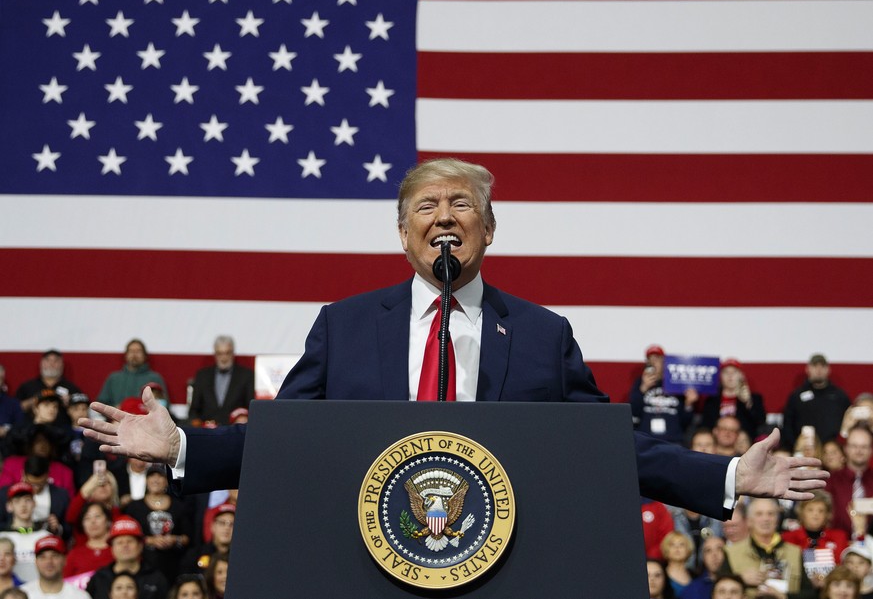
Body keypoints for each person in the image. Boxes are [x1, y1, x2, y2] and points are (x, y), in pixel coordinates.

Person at [80, 159, 827, 526]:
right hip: (367, 554)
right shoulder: (343, 325)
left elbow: (609, 445)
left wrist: (726, 477)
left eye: (461, 203)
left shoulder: (540, 332)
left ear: (488, 228)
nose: (444, 215)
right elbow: (284, 438)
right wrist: (181, 447)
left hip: (502, 556)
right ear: (403, 234)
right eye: (425, 206)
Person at [722, 497, 815, 598]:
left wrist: (784, 596)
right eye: (759, 514)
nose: (765, 519)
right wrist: (740, 579)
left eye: (770, 514)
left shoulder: (795, 552)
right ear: (749, 521)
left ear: (777, 519)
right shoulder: (731, 552)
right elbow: (718, 589)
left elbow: (810, 594)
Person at [122, 465, 190, 583]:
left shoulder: (179, 506)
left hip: (174, 563)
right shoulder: (134, 507)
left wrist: (175, 539)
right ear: (146, 481)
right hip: (144, 564)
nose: (156, 479)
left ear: (167, 481)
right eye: (152, 476)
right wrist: (150, 540)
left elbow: (188, 537)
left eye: (160, 476)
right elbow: (128, 536)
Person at [85, 516, 168, 599]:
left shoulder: (155, 578)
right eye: (120, 542)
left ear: (140, 545)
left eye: (130, 541)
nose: (125, 546)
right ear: (112, 548)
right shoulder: (100, 578)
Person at [630, 344, 697, 444]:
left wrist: (688, 404)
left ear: (664, 362)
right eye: (650, 359)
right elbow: (633, 412)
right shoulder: (640, 382)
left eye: (657, 359)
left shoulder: (676, 382)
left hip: (673, 440)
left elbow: (685, 421)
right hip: (646, 439)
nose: (653, 362)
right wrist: (643, 388)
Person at [782, 354, 851, 450]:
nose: (819, 370)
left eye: (822, 366)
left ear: (828, 369)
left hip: (833, 451)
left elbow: (849, 422)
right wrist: (795, 446)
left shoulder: (840, 396)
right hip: (805, 450)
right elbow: (788, 425)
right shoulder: (796, 396)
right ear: (808, 369)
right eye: (815, 366)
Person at [188, 336, 254, 428]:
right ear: (214, 353)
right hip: (207, 432)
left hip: (234, 432)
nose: (224, 358)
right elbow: (194, 410)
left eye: (227, 353)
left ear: (233, 353)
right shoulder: (202, 375)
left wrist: (243, 419)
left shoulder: (246, 375)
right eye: (220, 353)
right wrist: (197, 424)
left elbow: (251, 408)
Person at [702, 359, 767, 442]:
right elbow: (706, 425)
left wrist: (748, 403)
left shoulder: (753, 399)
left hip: (744, 442)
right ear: (720, 376)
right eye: (726, 372)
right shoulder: (712, 400)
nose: (730, 376)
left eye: (734, 372)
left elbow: (760, 421)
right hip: (717, 442)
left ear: (741, 375)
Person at [781, 491, 849, 568]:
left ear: (827, 515)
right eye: (810, 510)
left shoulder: (839, 537)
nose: (815, 514)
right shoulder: (788, 538)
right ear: (801, 513)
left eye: (821, 511)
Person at [827, 426, 873, 538]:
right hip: (838, 544)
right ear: (846, 448)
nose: (859, 451)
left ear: (871, 449)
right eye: (854, 446)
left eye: (864, 446)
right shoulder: (831, 480)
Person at [97, 341, 167, 408]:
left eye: (138, 351)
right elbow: (101, 404)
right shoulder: (113, 378)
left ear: (145, 355)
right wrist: (115, 409)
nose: (134, 354)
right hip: (117, 419)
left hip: (146, 419)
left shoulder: (155, 378)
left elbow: (164, 406)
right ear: (126, 355)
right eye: (131, 351)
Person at [14, 350, 83, 416]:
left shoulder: (71, 388)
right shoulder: (28, 386)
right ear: (41, 363)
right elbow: (15, 409)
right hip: (32, 426)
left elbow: (82, 412)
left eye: (56, 361)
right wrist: (36, 400)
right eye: (48, 360)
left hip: (63, 426)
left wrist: (71, 403)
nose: (51, 364)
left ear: (62, 364)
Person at [20, 535, 90, 599]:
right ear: (36, 562)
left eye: (54, 556)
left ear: (64, 560)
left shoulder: (80, 596)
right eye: (42, 557)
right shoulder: (22, 594)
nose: (49, 561)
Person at [63, 502, 114, 578]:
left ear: (108, 521)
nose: (93, 521)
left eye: (97, 516)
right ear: (82, 524)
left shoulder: (118, 551)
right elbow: (66, 584)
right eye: (87, 518)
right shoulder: (74, 555)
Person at [661, 530, 695, 596]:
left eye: (681, 544)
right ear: (666, 549)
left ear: (688, 550)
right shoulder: (659, 574)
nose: (677, 548)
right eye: (672, 544)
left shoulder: (695, 576)